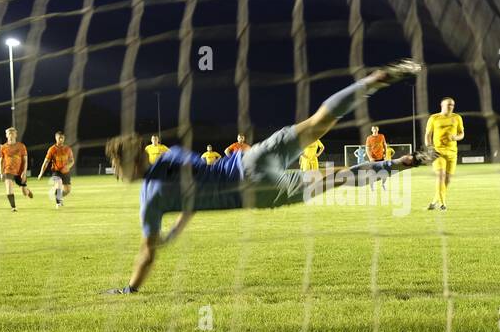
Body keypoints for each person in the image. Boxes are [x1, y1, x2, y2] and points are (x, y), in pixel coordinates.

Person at [103, 60, 432, 294]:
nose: (116, 175)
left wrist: (131, 287)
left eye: (117, 168)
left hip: (255, 190)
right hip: (252, 157)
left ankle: (401, 163)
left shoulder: (151, 197)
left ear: (131, 165)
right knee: (318, 121)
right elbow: (194, 189)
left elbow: (148, 253)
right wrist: (178, 226)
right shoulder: (172, 154)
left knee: (339, 176)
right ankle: (373, 81)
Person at [425, 98, 465, 210]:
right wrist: (429, 148)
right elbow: (428, 135)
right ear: (442, 105)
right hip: (437, 152)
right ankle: (443, 204)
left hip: (452, 153)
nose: (451, 106)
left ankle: (434, 202)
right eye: (448, 104)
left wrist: (455, 137)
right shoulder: (434, 118)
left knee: (447, 180)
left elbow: (462, 134)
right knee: (440, 176)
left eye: (452, 105)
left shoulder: (457, 118)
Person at [0, 128, 34, 210]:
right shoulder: (3, 147)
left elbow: (25, 160)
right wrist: (1, 173)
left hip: (19, 171)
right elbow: (1, 160)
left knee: (24, 192)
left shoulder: (21, 146)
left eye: (12, 133)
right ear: (6, 135)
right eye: (9, 133)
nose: (11, 134)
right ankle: (13, 207)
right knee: (8, 187)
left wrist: (24, 172)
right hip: (8, 170)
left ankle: (27, 191)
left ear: (16, 135)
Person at [38, 131, 75, 209]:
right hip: (56, 171)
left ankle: (58, 195)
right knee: (59, 183)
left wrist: (68, 166)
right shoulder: (52, 149)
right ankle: (58, 203)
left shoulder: (67, 149)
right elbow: (46, 162)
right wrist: (41, 173)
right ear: (56, 138)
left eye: (62, 138)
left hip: (66, 172)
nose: (61, 139)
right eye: (59, 138)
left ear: (64, 138)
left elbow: (72, 161)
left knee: (67, 190)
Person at [364, 125, 388, 190]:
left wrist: (385, 154)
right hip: (373, 159)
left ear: (378, 129)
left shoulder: (381, 136)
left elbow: (385, 145)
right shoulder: (369, 138)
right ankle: (372, 187)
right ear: (372, 130)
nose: (375, 130)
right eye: (373, 129)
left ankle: (383, 184)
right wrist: (370, 158)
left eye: (376, 129)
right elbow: (367, 149)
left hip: (381, 158)